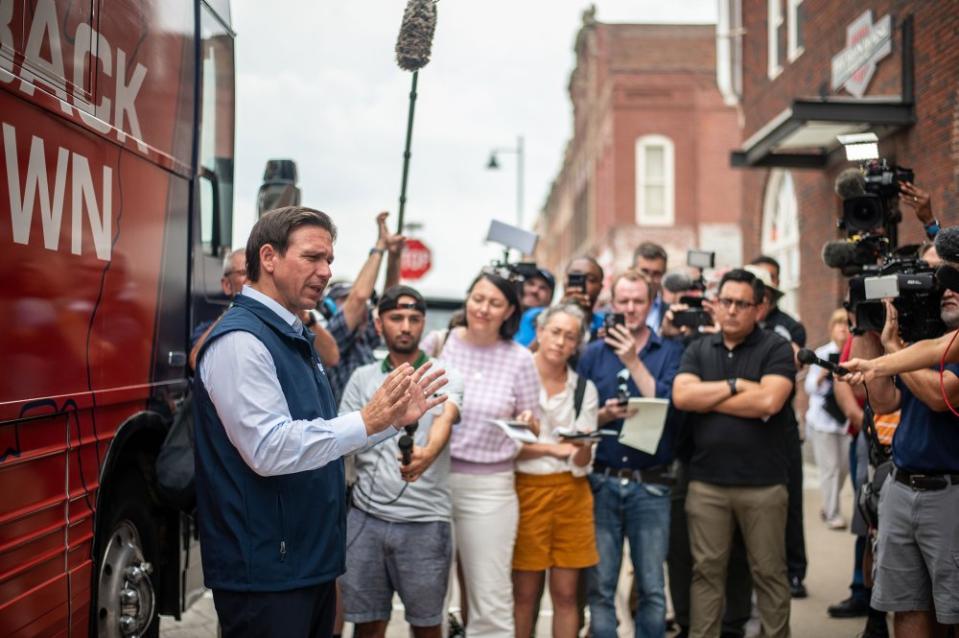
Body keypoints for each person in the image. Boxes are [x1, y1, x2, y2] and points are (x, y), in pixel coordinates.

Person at [193, 206, 448, 638]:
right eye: (313, 257)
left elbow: (320, 436)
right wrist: (366, 421)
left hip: (305, 563)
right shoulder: (242, 340)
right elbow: (268, 449)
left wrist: (387, 421)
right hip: (267, 571)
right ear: (269, 257)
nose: (326, 271)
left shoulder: (290, 333)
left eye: (329, 260)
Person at [672, 268, 795, 638]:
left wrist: (708, 399)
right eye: (726, 302)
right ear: (715, 305)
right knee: (706, 573)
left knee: (769, 573)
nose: (732, 310)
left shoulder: (774, 347)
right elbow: (682, 397)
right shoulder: (698, 348)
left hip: (764, 486)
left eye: (742, 304)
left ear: (759, 308)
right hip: (707, 484)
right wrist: (737, 386)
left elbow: (770, 401)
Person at [338, 285, 464, 638]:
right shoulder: (362, 378)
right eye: (396, 318)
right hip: (366, 519)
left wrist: (428, 453)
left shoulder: (445, 374)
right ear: (380, 325)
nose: (406, 326)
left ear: (424, 324)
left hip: (426, 524)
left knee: (426, 627)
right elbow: (345, 438)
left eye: (414, 318)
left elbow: (446, 416)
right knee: (366, 624)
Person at [421, 271, 541, 638]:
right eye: (478, 298)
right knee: (429, 598)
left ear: (509, 312)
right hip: (431, 481)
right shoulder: (438, 344)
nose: (483, 309)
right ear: (468, 297)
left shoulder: (520, 359)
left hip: (490, 488)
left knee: (490, 599)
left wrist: (525, 420)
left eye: (494, 303)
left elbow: (534, 425)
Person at [843, 282, 959, 636]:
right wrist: (866, 329)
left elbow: (941, 395)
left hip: (950, 492)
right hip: (902, 484)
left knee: (953, 610)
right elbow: (883, 402)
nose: (944, 288)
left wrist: (889, 351)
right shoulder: (926, 337)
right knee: (907, 604)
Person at [576, 269, 683, 638]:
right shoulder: (591, 354)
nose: (631, 308)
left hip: (650, 485)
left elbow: (669, 405)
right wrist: (603, 414)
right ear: (611, 304)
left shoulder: (669, 350)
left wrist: (632, 361)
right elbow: (579, 416)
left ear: (651, 303)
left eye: (639, 301)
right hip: (602, 480)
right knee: (601, 587)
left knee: (652, 588)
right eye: (624, 301)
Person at [512, 303, 599, 638]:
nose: (561, 342)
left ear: (577, 344)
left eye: (570, 337)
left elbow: (580, 461)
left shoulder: (583, 390)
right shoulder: (517, 378)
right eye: (556, 332)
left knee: (565, 594)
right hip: (526, 490)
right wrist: (557, 448)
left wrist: (585, 447)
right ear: (540, 332)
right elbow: (511, 446)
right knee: (524, 594)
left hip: (572, 495)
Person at [748, 256, 808, 598]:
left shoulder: (788, 326)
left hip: (781, 423)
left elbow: (794, 368)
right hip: (746, 425)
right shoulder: (737, 324)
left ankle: (795, 570)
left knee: (790, 499)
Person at [325, 211, 405, 404]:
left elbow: (389, 302)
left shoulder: (363, 335)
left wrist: (394, 256)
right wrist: (380, 246)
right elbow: (359, 297)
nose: (353, 305)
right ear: (327, 306)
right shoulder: (330, 336)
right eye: (343, 299)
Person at [804, 309, 852, 530]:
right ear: (831, 328)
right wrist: (823, 375)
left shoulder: (854, 353)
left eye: (847, 323)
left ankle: (828, 505)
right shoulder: (822, 354)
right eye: (839, 323)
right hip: (823, 420)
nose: (843, 327)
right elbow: (809, 387)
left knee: (842, 468)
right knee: (830, 469)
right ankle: (832, 513)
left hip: (845, 422)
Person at [515, 256, 605, 347]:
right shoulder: (534, 317)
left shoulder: (604, 323)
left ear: (600, 288)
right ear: (564, 281)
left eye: (591, 279)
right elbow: (525, 356)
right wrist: (560, 311)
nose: (583, 283)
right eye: (576, 277)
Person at [634, 242, 668, 334]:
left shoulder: (670, 315)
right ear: (632, 270)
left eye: (656, 274)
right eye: (644, 272)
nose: (649, 279)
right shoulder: (613, 310)